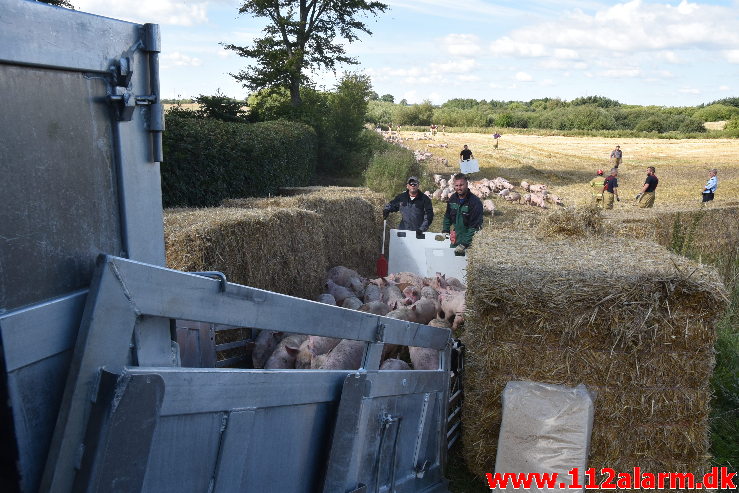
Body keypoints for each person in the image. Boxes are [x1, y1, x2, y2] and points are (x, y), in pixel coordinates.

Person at [442, 173, 483, 256]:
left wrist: (464, 244)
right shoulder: (453, 199)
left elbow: (475, 226)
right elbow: (447, 216)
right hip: (455, 240)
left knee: (467, 266)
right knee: (452, 262)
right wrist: (445, 230)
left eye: (461, 185)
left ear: (467, 184)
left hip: (470, 243)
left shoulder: (475, 202)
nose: (459, 188)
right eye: (456, 185)